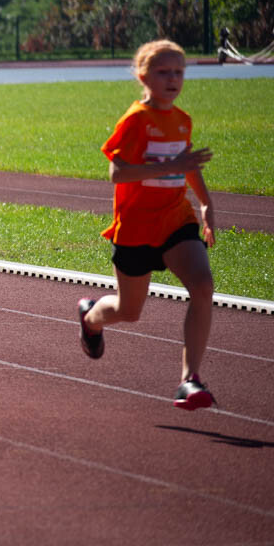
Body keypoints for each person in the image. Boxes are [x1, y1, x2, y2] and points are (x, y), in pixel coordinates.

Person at [78, 39, 217, 410]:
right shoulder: (135, 120)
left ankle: (189, 381)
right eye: (163, 72)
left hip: (176, 220)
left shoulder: (182, 120)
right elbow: (118, 173)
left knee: (203, 287)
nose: (173, 79)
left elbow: (187, 165)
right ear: (143, 76)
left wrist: (204, 203)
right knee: (129, 311)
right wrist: (166, 167)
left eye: (179, 72)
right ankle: (90, 319)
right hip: (137, 228)